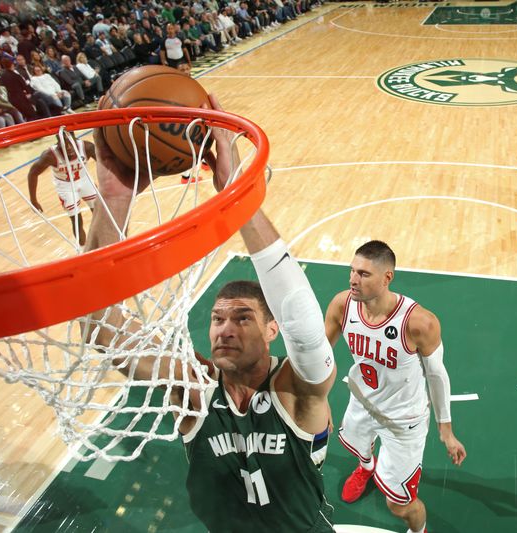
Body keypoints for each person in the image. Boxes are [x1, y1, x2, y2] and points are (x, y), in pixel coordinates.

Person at [87, 94, 337, 532]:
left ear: (272, 329)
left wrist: (235, 194)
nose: (225, 329)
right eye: (218, 318)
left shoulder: (297, 391)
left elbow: (304, 322)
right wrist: (113, 198)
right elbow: (100, 326)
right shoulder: (193, 388)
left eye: (242, 318)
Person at [324, 241, 466, 533]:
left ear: (387, 277)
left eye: (363, 274)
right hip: (363, 401)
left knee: (399, 505)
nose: (353, 279)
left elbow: (437, 376)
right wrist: (316, 399)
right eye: (352, 270)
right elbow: (320, 357)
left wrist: (446, 429)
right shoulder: (343, 304)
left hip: (404, 420)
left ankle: (419, 530)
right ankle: (366, 468)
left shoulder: (419, 323)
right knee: (359, 446)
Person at [27, 132, 97, 245]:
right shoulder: (50, 155)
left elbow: (105, 163)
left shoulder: (87, 147)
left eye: (70, 142)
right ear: (58, 143)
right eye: (64, 144)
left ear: (75, 139)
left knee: (99, 212)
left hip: (85, 180)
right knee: (77, 221)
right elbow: (32, 174)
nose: (68, 147)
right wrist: (33, 200)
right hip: (65, 186)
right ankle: (83, 249)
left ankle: (105, 241)